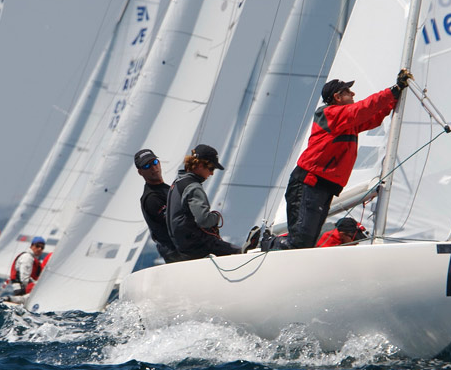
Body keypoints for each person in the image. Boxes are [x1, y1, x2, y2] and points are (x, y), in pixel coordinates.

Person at [262, 69, 413, 251]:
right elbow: (362, 109)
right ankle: (265, 242)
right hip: (308, 184)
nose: (353, 93)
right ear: (337, 97)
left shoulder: (345, 121)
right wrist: (393, 90)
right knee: (301, 242)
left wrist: (395, 98)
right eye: (348, 91)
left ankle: (276, 247)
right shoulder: (330, 114)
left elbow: (373, 118)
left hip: (323, 187)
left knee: (306, 243)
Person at [167, 144, 260, 261]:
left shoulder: (176, 183)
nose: (211, 173)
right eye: (211, 169)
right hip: (197, 246)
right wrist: (215, 217)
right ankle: (243, 252)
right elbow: (204, 220)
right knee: (239, 253)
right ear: (200, 165)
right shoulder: (193, 187)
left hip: (181, 246)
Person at [135, 148, 181, 263]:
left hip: (184, 250)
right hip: (177, 255)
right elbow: (175, 225)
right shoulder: (151, 198)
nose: (153, 168)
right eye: (146, 166)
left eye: (154, 162)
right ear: (140, 172)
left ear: (159, 163)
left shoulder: (167, 189)